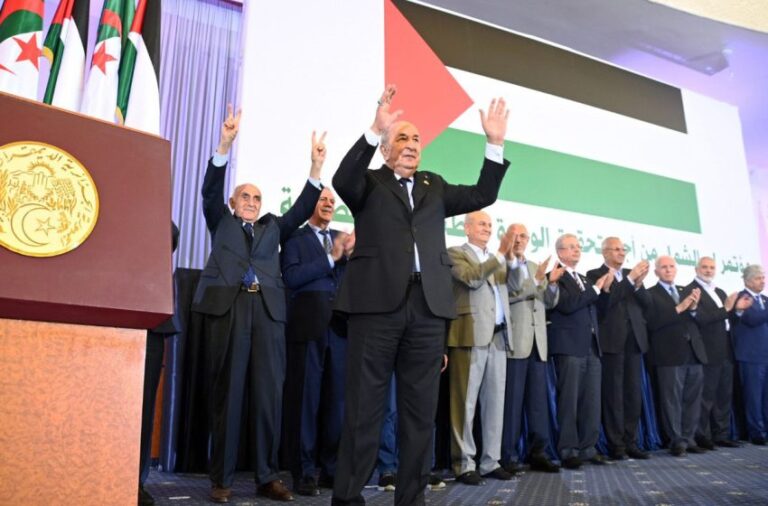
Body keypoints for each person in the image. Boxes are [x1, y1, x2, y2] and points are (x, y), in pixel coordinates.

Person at [331, 85, 510, 506]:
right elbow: (342, 180)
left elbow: (482, 194)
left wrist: (494, 143)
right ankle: (347, 498)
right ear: (386, 149)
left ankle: (411, 499)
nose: (411, 144)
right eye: (402, 138)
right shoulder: (369, 183)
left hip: (428, 311)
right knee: (364, 410)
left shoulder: (435, 186)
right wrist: (374, 129)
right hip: (375, 308)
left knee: (419, 415)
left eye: (416, 139)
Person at [191, 106, 325, 503]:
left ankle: (267, 477)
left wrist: (315, 167)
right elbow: (210, 191)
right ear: (234, 203)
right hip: (229, 310)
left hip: (268, 314)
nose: (251, 201)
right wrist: (224, 145)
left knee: (269, 397)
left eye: (257, 197)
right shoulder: (221, 221)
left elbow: (301, 209)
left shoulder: (273, 227)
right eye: (245, 197)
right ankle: (222, 480)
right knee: (228, 396)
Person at [281, 188, 353, 496]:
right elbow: (292, 278)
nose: (328, 204)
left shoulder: (341, 238)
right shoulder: (295, 238)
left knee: (337, 403)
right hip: (308, 326)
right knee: (306, 402)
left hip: (340, 329)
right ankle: (305, 471)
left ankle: (331, 469)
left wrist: (352, 255)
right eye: (323, 199)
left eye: (332, 201)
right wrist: (330, 258)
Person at [446, 211, 514, 485]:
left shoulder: (496, 258)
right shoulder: (455, 253)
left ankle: (490, 461)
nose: (487, 228)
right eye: (482, 224)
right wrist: (499, 256)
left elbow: (512, 288)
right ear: (466, 228)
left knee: (495, 403)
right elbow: (472, 279)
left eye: (490, 224)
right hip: (470, 334)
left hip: (498, 336)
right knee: (465, 403)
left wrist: (510, 258)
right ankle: (464, 463)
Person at [500, 223, 561, 474]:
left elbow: (549, 302)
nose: (519, 240)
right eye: (514, 235)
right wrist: (536, 283)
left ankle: (539, 453)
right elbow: (508, 296)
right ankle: (508, 456)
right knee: (512, 404)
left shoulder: (537, 267)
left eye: (523, 236)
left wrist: (552, 284)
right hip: (515, 341)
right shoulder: (501, 264)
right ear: (506, 238)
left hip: (539, 342)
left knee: (538, 403)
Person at [548, 233, 612, 469]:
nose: (577, 250)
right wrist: (595, 290)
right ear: (560, 252)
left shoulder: (583, 279)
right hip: (569, 346)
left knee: (592, 401)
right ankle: (569, 450)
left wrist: (604, 292)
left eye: (578, 246)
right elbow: (566, 305)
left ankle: (588, 448)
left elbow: (596, 309)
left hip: (591, 346)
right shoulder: (555, 275)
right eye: (571, 247)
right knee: (570, 400)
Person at [586, 237, 651, 460]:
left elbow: (647, 303)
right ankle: (617, 445)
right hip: (612, 341)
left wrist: (638, 284)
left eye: (623, 249)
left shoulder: (632, 275)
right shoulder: (594, 274)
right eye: (616, 249)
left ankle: (631, 441)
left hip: (634, 341)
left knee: (633, 394)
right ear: (605, 252)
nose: (622, 253)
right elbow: (606, 301)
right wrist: (630, 281)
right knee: (613, 395)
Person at [645, 256, 707, 457]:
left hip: (693, 352)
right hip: (669, 354)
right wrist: (679, 308)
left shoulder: (684, 290)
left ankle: (689, 438)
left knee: (692, 399)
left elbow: (698, 320)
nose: (668, 270)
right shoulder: (651, 293)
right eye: (664, 267)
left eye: (671, 266)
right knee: (671, 400)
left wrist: (694, 308)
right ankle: (676, 441)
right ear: (656, 272)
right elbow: (652, 323)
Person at [685, 257, 748, 449]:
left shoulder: (719, 291)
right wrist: (726, 308)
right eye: (704, 267)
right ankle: (702, 436)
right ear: (696, 269)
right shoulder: (691, 290)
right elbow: (701, 319)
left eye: (712, 267)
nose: (708, 270)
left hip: (726, 349)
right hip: (708, 351)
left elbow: (727, 320)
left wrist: (737, 312)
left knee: (724, 395)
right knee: (705, 397)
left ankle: (721, 434)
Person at [138, 223, 180, 506]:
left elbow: (170, 235)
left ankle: (135, 481)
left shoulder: (149, 212)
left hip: (149, 319)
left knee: (143, 409)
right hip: (103, 311)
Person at [731, 264, 767, 445]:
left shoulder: (765, 300)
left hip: (765, 355)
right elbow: (752, 320)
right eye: (758, 278)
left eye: (763, 278)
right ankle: (757, 433)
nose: (762, 281)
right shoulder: (741, 298)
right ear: (747, 281)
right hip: (751, 356)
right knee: (754, 397)